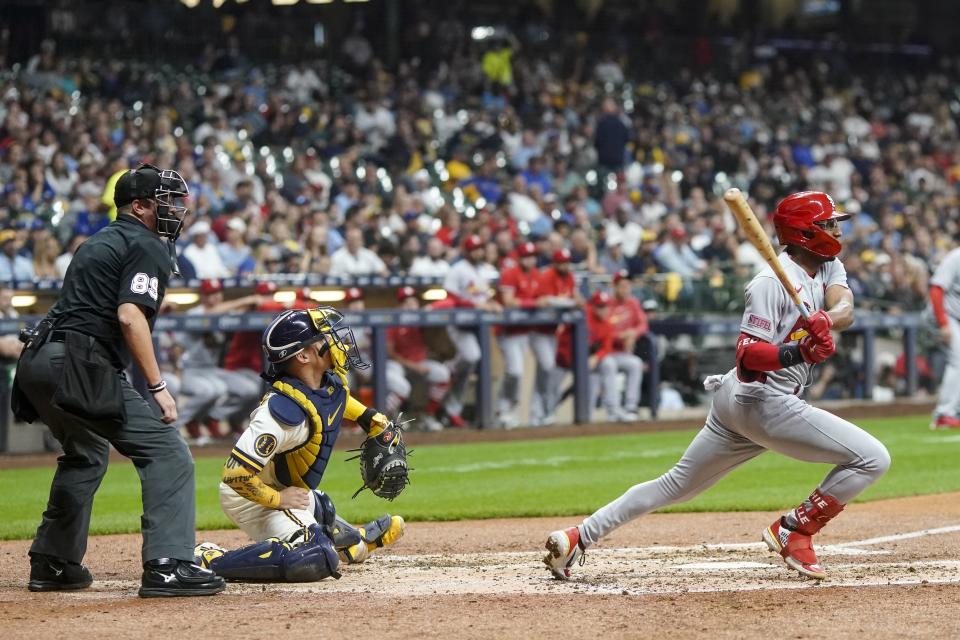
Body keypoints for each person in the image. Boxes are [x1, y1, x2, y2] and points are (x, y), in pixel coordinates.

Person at [544, 191, 891, 581]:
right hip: (763, 399)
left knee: (676, 484)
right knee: (872, 458)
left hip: (741, 404)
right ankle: (795, 529)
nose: (835, 231)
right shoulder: (768, 283)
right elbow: (747, 357)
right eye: (827, 224)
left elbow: (845, 306)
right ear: (804, 232)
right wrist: (798, 352)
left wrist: (826, 320)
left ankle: (578, 537)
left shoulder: (827, 266)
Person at [12, 164, 224, 597]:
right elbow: (130, 316)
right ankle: (168, 565)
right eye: (168, 201)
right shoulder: (147, 243)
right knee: (169, 454)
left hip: (40, 359)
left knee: (86, 453)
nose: (178, 209)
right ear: (140, 206)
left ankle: (54, 562)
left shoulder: (99, 240)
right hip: (79, 362)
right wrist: (159, 387)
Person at [193, 307, 405, 581]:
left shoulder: (325, 385)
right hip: (251, 497)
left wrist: (369, 418)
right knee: (314, 554)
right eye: (322, 337)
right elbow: (236, 476)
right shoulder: (281, 413)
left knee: (322, 507)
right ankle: (211, 558)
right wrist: (278, 500)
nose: (333, 340)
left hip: (283, 488)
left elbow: (334, 402)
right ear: (303, 356)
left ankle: (354, 543)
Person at [175, 279, 264, 442]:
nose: (214, 297)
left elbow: (242, 315)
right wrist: (246, 299)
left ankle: (214, 417)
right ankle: (177, 426)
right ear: (202, 297)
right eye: (209, 294)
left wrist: (256, 303)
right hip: (192, 370)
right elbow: (211, 314)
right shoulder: (195, 313)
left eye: (216, 293)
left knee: (251, 389)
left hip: (213, 370)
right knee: (212, 391)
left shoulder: (226, 313)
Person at [441, 234, 502, 427]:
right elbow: (450, 297)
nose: (477, 252)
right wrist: (475, 305)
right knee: (472, 356)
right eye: (473, 249)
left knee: (476, 365)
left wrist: (492, 303)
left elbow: (486, 295)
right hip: (460, 323)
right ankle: (451, 367)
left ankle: (454, 406)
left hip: (479, 326)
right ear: (466, 251)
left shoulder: (485, 270)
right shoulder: (457, 269)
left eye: (479, 248)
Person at [496, 241, 548, 428]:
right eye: (526, 256)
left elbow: (542, 298)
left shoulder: (536, 274)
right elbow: (509, 301)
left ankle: (504, 407)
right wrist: (533, 304)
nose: (529, 259)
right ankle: (505, 407)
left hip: (525, 331)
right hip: (507, 331)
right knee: (515, 371)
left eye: (532, 256)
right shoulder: (510, 273)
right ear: (520, 258)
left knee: (516, 371)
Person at [386, 286, 450, 432]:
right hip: (397, 363)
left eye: (414, 302)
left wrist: (431, 309)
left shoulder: (422, 319)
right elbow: (390, 353)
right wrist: (413, 367)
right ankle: (383, 419)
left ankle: (428, 415)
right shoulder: (392, 321)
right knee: (402, 386)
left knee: (443, 374)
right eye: (406, 303)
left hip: (419, 361)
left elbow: (448, 303)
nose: (411, 306)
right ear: (399, 306)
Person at [605, 270, 649, 420]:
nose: (625, 289)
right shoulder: (606, 303)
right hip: (606, 352)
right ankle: (613, 410)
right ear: (614, 286)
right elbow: (601, 331)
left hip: (624, 352)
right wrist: (621, 336)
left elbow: (643, 325)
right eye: (622, 286)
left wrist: (632, 334)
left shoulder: (633, 302)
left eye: (627, 286)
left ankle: (631, 408)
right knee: (609, 366)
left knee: (636, 364)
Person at [929, 244, 960, 429]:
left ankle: (953, 410)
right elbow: (936, 289)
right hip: (945, 314)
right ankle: (944, 414)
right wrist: (943, 323)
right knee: (957, 360)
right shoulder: (955, 257)